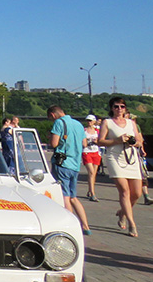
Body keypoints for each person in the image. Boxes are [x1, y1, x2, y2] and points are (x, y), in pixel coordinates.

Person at [97, 97, 144, 237]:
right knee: (124, 190)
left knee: (137, 193)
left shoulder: (131, 123)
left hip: (131, 158)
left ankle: (122, 212)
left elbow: (140, 141)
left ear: (125, 108)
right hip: (115, 158)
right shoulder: (108, 123)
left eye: (122, 106)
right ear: (112, 108)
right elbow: (100, 141)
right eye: (116, 106)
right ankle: (132, 223)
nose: (119, 109)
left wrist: (133, 142)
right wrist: (117, 140)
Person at [47, 105, 91, 235]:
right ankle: (86, 226)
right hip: (76, 164)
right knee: (73, 197)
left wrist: (50, 137)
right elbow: (84, 144)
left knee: (64, 196)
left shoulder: (59, 123)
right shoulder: (78, 124)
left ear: (53, 115)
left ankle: (70, 227)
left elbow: (54, 143)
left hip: (62, 163)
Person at [82, 115, 101, 202]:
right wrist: (86, 142)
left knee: (93, 174)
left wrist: (96, 142)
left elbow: (101, 142)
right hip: (86, 152)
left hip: (96, 152)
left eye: (90, 120)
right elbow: (82, 142)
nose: (89, 122)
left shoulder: (97, 131)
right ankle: (93, 193)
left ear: (94, 121)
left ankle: (90, 190)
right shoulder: (84, 131)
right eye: (87, 120)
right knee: (91, 172)